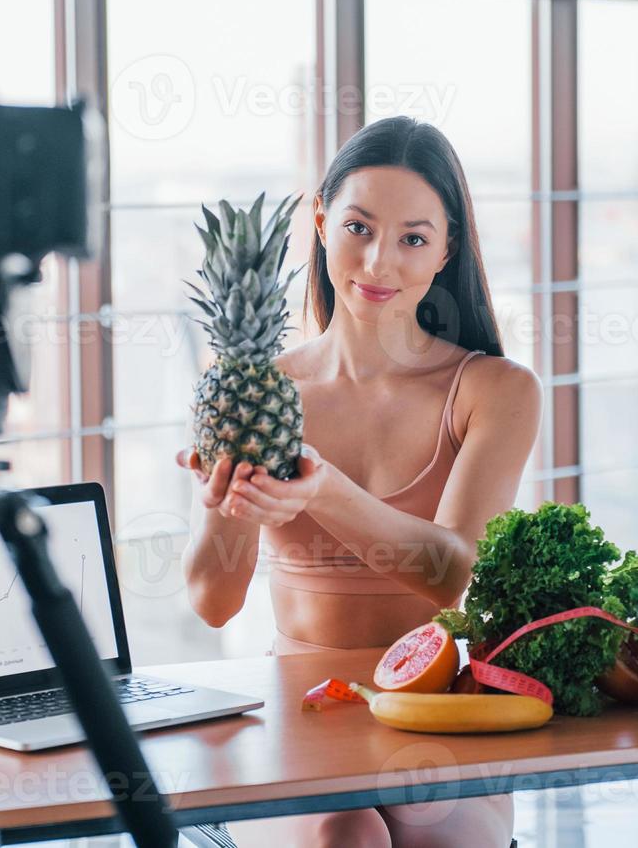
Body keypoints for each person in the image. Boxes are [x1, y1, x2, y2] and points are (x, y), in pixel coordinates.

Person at [178, 116, 541, 848]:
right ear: (319, 221)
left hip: (436, 710)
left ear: (446, 250)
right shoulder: (257, 391)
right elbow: (213, 603)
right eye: (358, 228)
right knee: (347, 836)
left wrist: (322, 491)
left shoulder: (496, 390)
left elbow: (450, 574)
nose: (379, 262)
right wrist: (230, 511)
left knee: (432, 834)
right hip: (298, 715)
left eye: (413, 238)